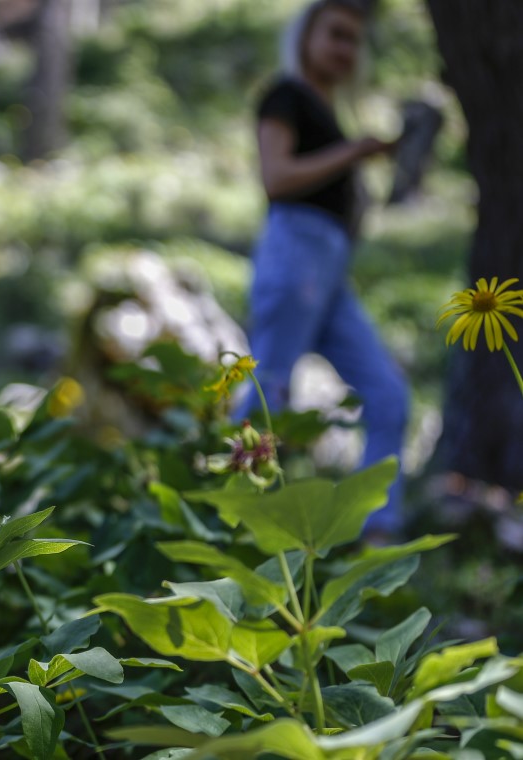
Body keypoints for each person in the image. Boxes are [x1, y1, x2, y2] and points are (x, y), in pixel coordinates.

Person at [238, 0, 409, 535]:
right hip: (295, 249)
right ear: (306, 34)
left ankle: (375, 529)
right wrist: (355, 151)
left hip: (331, 267)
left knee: (387, 393)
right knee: (269, 386)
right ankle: (232, 518)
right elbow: (276, 178)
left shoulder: (330, 114)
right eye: (335, 34)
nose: (344, 49)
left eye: (353, 40)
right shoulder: (285, 95)